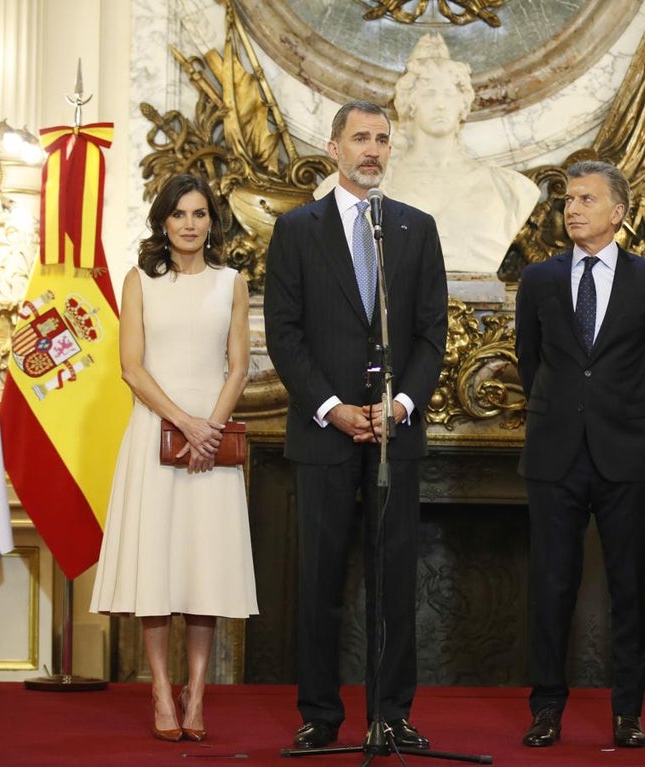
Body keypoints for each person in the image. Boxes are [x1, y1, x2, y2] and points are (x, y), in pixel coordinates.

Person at [264, 101, 448, 750]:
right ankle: (319, 714)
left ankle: (391, 714)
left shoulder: (415, 229)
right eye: (360, 138)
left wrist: (399, 406)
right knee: (319, 582)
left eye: (381, 139)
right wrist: (331, 407)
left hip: (395, 435)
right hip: (323, 434)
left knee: (395, 581)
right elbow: (283, 333)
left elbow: (431, 333)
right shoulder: (296, 230)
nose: (372, 149)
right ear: (334, 146)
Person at [515, 160, 645, 749]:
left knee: (629, 590)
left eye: (586, 199)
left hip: (624, 455)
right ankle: (546, 710)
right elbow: (530, 362)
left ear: (618, 212)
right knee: (550, 587)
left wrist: (635, 417)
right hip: (553, 456)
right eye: (567, 200)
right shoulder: (538, 280)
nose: (573, 209)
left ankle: (627, 712)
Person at [90, 173, 258, 742]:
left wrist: (209, 428)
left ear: (213, 221)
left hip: (212, 442)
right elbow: (131, 367)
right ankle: (161, 690)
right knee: (158, 568)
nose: (190, 223)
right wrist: (186, 422)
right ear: (163, 221)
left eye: (200, 213)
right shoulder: (140, 281)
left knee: (203, 568)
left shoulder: (231, 281)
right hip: (155, 437)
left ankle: (199, 694)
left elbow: (239, 365)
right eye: (180, 213)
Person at [382, 33, 539, 274]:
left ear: (464, 104)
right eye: (430, 94)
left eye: (449, 93)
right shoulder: (379, 183)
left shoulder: (508, 189)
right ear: (409, 104)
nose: (441, 104)